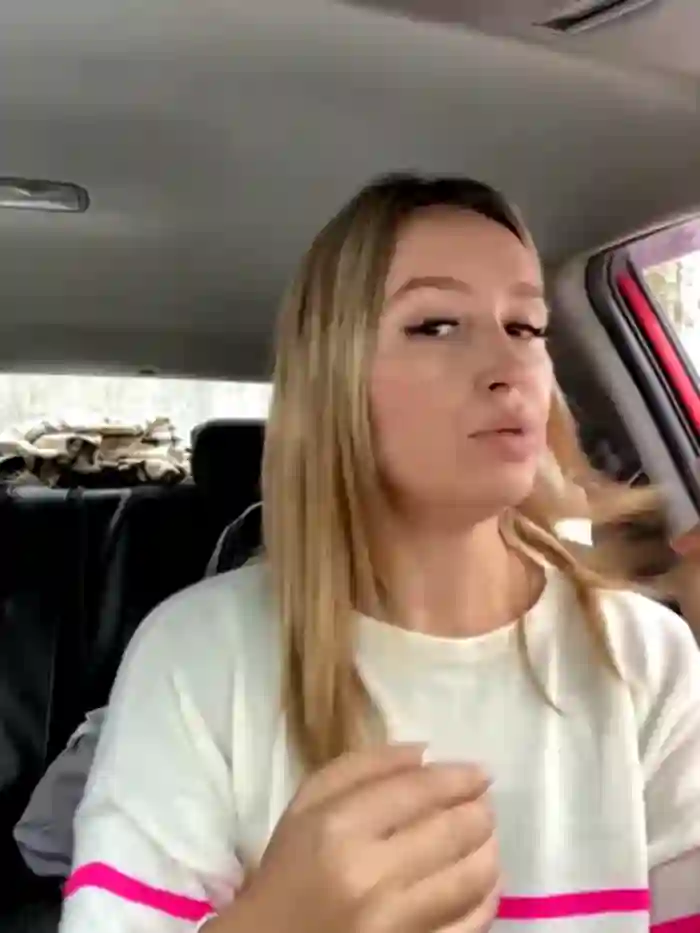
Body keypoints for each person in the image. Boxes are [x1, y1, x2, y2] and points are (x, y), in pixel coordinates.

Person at [60, 175, 700, 933]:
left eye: (526, 325)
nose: (509, 364)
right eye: (435, 325)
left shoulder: (647, 659)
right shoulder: (194, 656)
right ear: (335, 381)